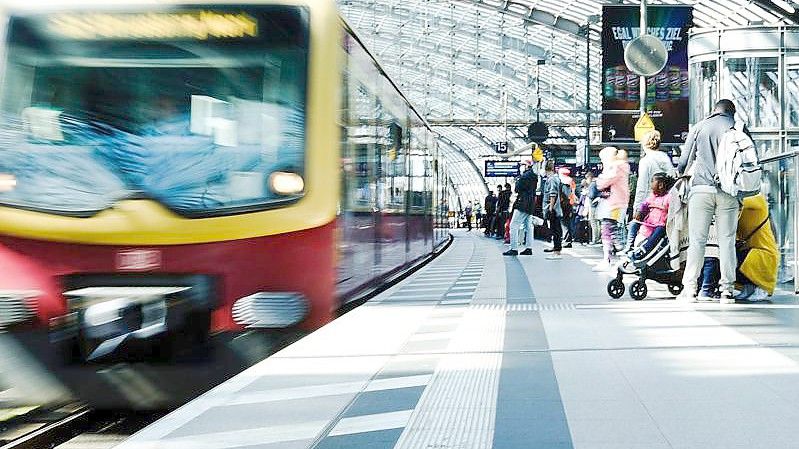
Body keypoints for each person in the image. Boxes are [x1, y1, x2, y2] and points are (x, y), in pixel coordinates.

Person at [676, 99, 742, 304]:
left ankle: (690, 290)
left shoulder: (699, 126)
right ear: (732, 113)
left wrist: (680, 175)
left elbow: (683, 162)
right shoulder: (737, 127)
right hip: (728, 191)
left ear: (714, 110)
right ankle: (727, 291)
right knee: (727, 242)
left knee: (698, 241)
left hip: (701, 189)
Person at [625, 130, 676, 253]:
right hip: (665, 204)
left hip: (649, 203)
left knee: (636, 225)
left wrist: (637, 207)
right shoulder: (666, 158)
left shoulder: (646, 161)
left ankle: (630, 248)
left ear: (644, 144)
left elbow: (642, 186)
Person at [735, 194, 779, 301]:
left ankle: (760, 287)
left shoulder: (757, 198)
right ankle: (748, 286)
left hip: (764, 254)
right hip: (749, 250)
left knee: (740, 259)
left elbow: (742, 202)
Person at [594, 147, 630, 271]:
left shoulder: (616, 167)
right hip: (615, 203)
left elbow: (601, 183)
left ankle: (623, 259)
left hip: (614, 204)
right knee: (609, 231)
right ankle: (610, 259)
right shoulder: (621, 166)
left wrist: (601, 176)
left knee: (612, 231)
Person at [627, 172, 674, 260]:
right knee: (633, 224)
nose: (650, 184)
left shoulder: (668, 197)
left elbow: (672, 211)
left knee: (660, 230)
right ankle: (629, 247)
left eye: (652, 182)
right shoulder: (652, 196)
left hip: (660, 225)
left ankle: (645, 248)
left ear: (660, 185)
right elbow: (645, 204)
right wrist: (640, 211)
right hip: (648, 222)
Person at [503, 160, 538, 256]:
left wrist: (518, 179)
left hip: (522, 203)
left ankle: (514, 248)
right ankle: (528, 248)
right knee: (529, 226)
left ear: (526, 166)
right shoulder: (534, 176)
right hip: (530, 204)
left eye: (522, 165)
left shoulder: (524, 177)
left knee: (513, 225)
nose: (520, 167)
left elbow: (517, 189)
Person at [543, 160, 570, 260]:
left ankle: (557, 251)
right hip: (555, 207)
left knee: (556, 229)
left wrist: (550, 207)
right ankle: (556, 249)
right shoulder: (555, 179)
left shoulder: (552, 179)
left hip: (553, 208)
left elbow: (553, 194)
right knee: (555, 229)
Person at [558, 167, 577, 248]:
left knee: (564, 223)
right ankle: (567, 240)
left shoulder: (564, 182)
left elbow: (565, 195)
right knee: (568, 222)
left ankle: (566, 240)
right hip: (570, 204)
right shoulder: (571, 181)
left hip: (564, 205)